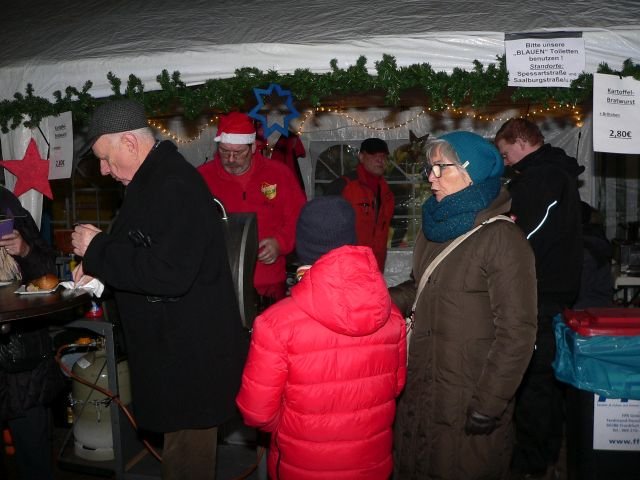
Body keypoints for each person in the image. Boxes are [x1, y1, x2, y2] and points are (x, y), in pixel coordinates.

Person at [71, 99, 246, 480]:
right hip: (178, 357)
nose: (103, 170)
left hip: (190, 364)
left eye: (105, 158)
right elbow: (147, 249)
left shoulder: (172, 185)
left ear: (130, 144)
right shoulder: (153, 180)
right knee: (182, 457)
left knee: (188, 465)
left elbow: (169, 273)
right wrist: (100, 267)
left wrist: (99, 249)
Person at [390, 131, 537, 479]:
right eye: (430, 167)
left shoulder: (502, 238)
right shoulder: (433, 228)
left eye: (442, 168)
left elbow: (517, 333)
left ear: (473, 174)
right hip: (424, 382)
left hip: (469, 394)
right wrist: (375, 298)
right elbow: (422, 287)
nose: (431, 177)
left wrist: (490, 403)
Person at [236, 195, 407, 480]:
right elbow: (395, 387)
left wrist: (295, 426)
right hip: (371, 463)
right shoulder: (390, 316)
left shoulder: (275, 324)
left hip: (303, 465)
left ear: (303, 247)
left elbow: (257, 413)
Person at [495, 118, 584, 478]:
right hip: (553, 289)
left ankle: (531, 459)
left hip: (539, 290)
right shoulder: (552, 173)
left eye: (505, 153)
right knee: (544, 375)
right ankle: (545, 449)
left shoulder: (541, 178)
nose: (504, 161)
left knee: (533, 377)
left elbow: (524, 235)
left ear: (520, 142)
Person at [198, 112, 306, 308]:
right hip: (218, 282)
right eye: (224, 151)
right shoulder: (202, 177)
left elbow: (299, 219)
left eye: (238, 153)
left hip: (268, 282)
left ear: (254, 147)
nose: (230, 159)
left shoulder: (279, 174)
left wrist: (280, 243)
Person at [0, 186, 63, 480]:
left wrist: (24, 250)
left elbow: (49, 271)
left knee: (34, 457)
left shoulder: (9, 205)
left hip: (22, 359)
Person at [325, 138, 395, 272]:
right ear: (361, 157)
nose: (380, 160)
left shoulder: (387, 194)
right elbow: (326, 228)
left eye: (384, 156)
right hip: (347, 267)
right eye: (374, 155)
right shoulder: (344, 186)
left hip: (375, 267)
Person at [573, 201, 614, 309]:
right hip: (594, 309)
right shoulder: (593, 242)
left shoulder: (586, 251)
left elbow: (576, 292)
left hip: (587, 313)